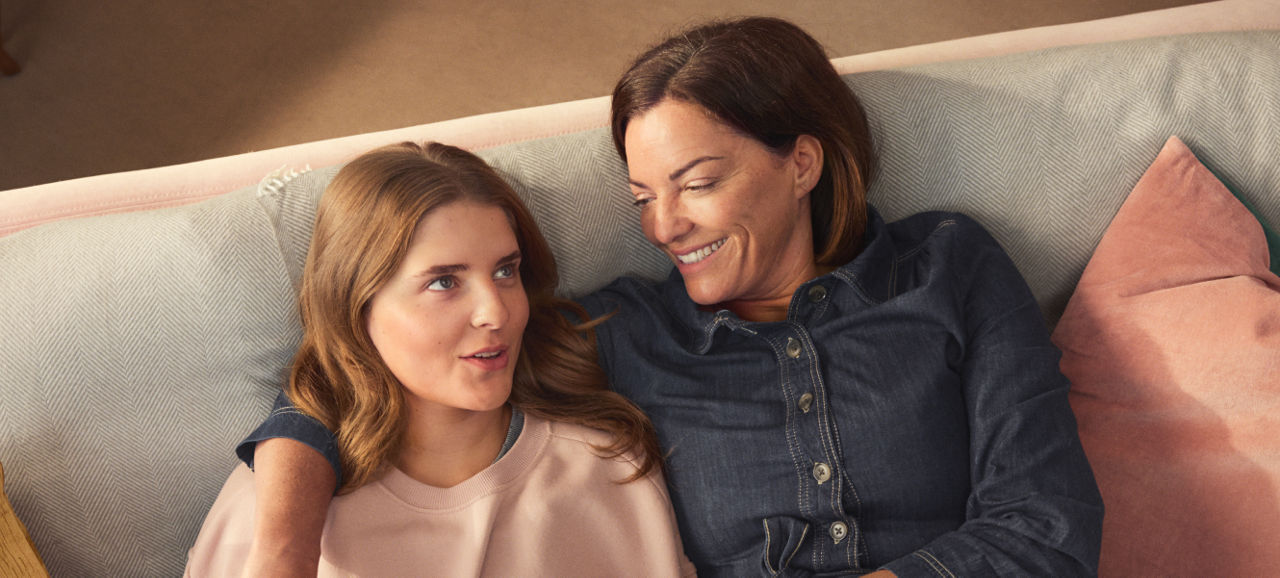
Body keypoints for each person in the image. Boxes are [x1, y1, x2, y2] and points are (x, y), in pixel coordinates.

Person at [240, 17, 1105, 577]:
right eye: (644, 199)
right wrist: (281, 546)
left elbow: (1049, 525)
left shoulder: (947, 267)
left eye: (695, 184)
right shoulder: (625, 332)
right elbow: (365, 358)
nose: (666, 228)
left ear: (801, 162)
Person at [185, 142, 694, 576]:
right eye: (444, 282)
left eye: (505, 271)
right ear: (357, 304)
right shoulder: (269, 515)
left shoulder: (607, 471)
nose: (495, 312)